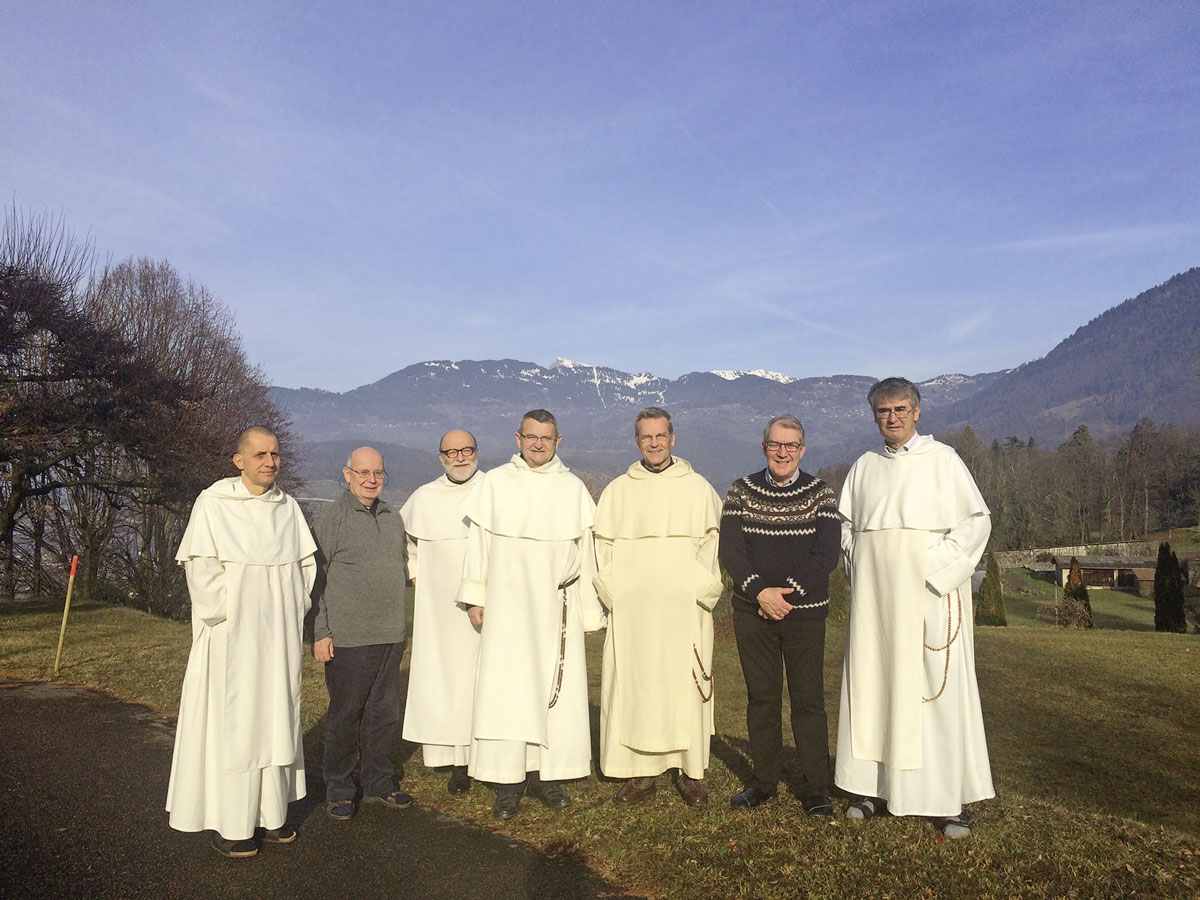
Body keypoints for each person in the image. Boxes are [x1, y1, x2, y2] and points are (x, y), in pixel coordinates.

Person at [834, 377, 994, 838]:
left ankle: (944, 801)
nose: (893, 418)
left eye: (901, 409)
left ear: (917, 412)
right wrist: (862, 565)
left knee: (933, 696)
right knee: (873, 689)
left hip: (927, 597)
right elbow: (847, 529)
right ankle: (869, 788)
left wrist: (926, 568)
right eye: (884, 411)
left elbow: (974, 525)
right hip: (876, 606)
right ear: (874, 416)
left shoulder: (943, 461)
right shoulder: (864, 467)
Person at [166, 426, 317, 858]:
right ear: (240, 461)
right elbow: (202, 570)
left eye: (275, 454)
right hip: (232, 640)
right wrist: (234, 613)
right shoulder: (214, 504)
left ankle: (271, 815)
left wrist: (287, 610)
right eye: (259, 455)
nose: (269, 462)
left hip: (278, 641)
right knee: (237, 724)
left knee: (275, 719)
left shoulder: (287, 509)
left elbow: (304, 569)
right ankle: (234, 825)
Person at [459, 409, 604, 821]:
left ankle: (547, 776)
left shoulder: (573, 488)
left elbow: (587, 557)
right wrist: (475, 596)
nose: (538, 444)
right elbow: (479, 544)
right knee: (508, 690)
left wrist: (588, 613)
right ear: (518, 438)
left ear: (559, 441)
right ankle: (508, 782)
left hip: (554, 608)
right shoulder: (495, 484)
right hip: (506, 607)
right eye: (531, 437)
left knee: (552, 690)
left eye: (546, 437)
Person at [593, 407, 723, 807]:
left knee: (685, 687)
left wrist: (698, 591)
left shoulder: (698, 488)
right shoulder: (618, 491)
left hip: (685, 610)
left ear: (672, 438)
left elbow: (711, 548)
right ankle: (641, 773)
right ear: (637, 441)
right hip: (634, 614)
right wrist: (619, 598)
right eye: (646, 437)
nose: (654, 443)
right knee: (637, 687)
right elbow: (603, 551)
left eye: (660, 436)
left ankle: (689, 773)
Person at [719, 415, 841, 814]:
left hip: (804, 615)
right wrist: (760, 593)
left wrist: (787, 595)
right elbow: (731, 552)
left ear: (803, 450)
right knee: (762, 699)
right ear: (764, 447)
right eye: (776, 445)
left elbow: (825, 553)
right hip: (752, 614)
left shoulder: (821, 495)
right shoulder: (741, 492)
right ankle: (764, 783)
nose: (783, 452)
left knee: (808, 702)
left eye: (791, 446)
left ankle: (817, 788)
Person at [309, 446, 410, 820]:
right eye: (363, 473)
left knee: (383, 714)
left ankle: (380, 782)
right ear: (347, 474)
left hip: (390, 635)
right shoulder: (332, 518)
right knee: (346, 715)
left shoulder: (393, 517)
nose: (371, 480)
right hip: (349, 638)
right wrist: (321, 631)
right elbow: (313, 581)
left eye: (378, 473)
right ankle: (338, 788)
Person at [399, 429, 484, 796]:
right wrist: (417, 575)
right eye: (452, 451)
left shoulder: (493, 490)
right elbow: (406, 544)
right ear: (440, 457)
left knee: (480, 678)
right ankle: (454, 761)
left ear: (477, 452)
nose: (460, 457)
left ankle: (485, 755)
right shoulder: (424, 497)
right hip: (438, 606)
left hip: (484, 606)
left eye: (467, 450)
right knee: (445, 678)